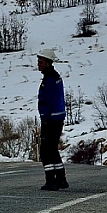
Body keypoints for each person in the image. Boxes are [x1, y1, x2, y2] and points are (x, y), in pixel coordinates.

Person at [36, 48, 68, 191]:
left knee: (46, 150)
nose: (39, 64)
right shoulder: (54, 76)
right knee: (52, 149)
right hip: (56, 118)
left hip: (51, 119)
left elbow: (49, 100)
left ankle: (51, 180)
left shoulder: (49, 79)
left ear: (48, 63)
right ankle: (61, 179)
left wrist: (45, 118)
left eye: (41, 62)